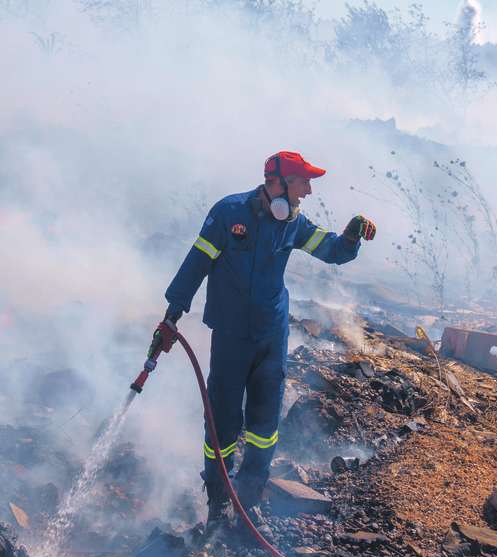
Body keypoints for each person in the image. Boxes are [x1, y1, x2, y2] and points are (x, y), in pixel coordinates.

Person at [151, 151, 376, 528]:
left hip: (272, 335)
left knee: (264, 424)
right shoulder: (228, 214)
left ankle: (249, 498)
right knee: (222, 423)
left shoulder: (293, 222)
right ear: (278, 184)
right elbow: (197, 263)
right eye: (302, 182)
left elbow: (331, 250)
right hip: (231, 335)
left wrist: (351, 237)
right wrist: (173, 313)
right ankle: (219, 498)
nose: (307, 190)